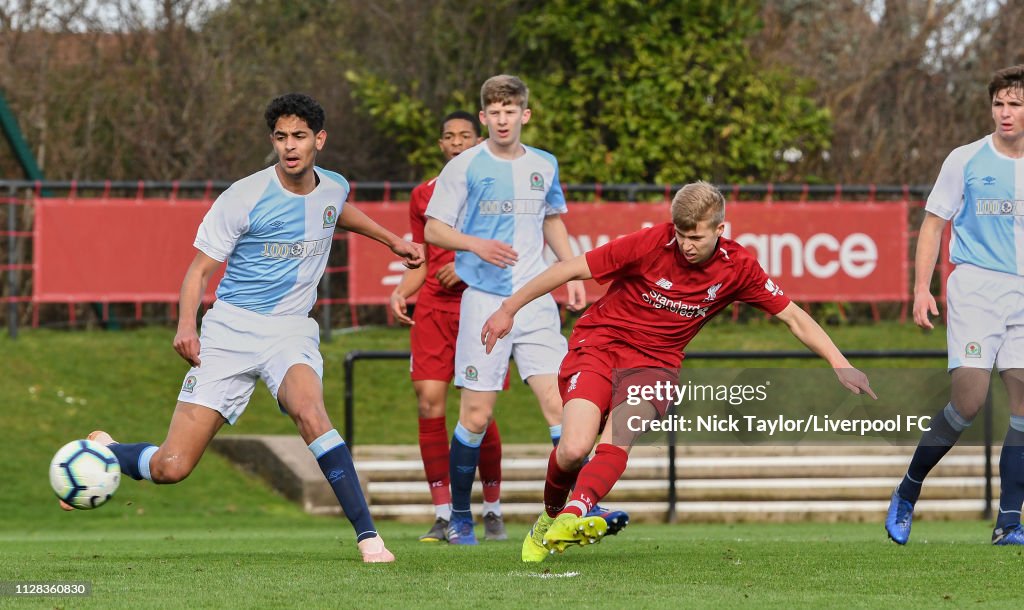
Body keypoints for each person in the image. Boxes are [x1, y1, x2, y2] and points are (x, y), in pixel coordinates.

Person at [59, 93, 424, 563]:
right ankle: (108, 450)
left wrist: (393, 240)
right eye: (280, 137)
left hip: (291, 329)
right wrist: (186, 325)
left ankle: (369, 537)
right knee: (172, 467)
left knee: (311, 411)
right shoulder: (244, 196)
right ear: (272, 140)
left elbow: (338, 211)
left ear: (320, 140)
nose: (289, 146)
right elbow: (197, 272)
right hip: (229, 332)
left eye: (299, 137)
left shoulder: (333, 186)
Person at [480, 181, 877, 562]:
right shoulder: (650, 243)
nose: (686, 245)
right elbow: (567, 270)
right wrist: (507, 309)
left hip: (656, 364)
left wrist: (840, 363)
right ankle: (549, 518)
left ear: (721, 229)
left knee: (620, 434)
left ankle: (574, 513)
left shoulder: (737, 267)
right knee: (571, 449)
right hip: (600, 346)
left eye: (697, 237)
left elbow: (793, 316)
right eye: (681, 234)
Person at [422, 74, 591, 545]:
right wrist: (475, 244)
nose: (502, 119)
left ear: (524, 115)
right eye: (493, 112)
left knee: (562, 406)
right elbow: (434, 230)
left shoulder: (544, 164)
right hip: (484, 302)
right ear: (483, 118)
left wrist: (571, 271)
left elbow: (552, 219)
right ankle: (459, 516)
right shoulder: (465, 166)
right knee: (475, 416)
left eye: (509, 111)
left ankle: (570, 513)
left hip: (537, 302)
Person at [886, 64, 1024, 546]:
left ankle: (1009, 522)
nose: (1005, 113)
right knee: (969, 402)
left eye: (1016, 104)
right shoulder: (965, 159)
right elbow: (932, 225)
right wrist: (921, 288)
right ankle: (908, 490)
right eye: (999, 104)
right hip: (977, 290)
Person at [390, 110, 509, 542]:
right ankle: (443, 516)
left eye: (464, 135)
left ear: (478, 142)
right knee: (428, 403)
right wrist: (402, 289)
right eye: (448, 136)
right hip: (435, 310)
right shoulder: (423, 195)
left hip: (481, 304)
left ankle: (491, 509)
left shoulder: (498, 188)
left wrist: (467, 266)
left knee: (477, 411)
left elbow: (513, 244)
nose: (456, 142)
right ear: (441, 145)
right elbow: (421, 257)